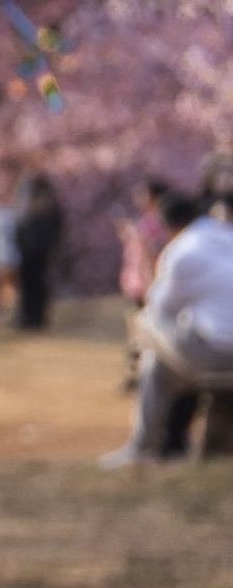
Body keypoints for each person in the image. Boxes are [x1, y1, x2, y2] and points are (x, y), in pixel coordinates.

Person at [100, 194, 233, 468]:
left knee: (148, 321)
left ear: (167, 226)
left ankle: (143, 448)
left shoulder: (182, 251)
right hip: (215, 347)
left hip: (218, 354)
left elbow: (158, 306)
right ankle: (163, 442)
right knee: (158, 367)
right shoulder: (226, 237)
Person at [114, 180, 171, 390]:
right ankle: (136, 374)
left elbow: (155, 252)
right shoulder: (148, 221)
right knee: (136, 332)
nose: (139, 199)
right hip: (137, 283)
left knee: (142, 333)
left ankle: (138, 376)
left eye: (143, 194)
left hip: (146, 285)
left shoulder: (158, 222)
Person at [14, 173, 64, 331]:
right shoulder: (29, 213)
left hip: (39, 254)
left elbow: (52, 235)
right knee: (28, 286)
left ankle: (37, 319)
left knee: (38, 286)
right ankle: (28, 318)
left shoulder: (48, 213)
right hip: (28, 254)